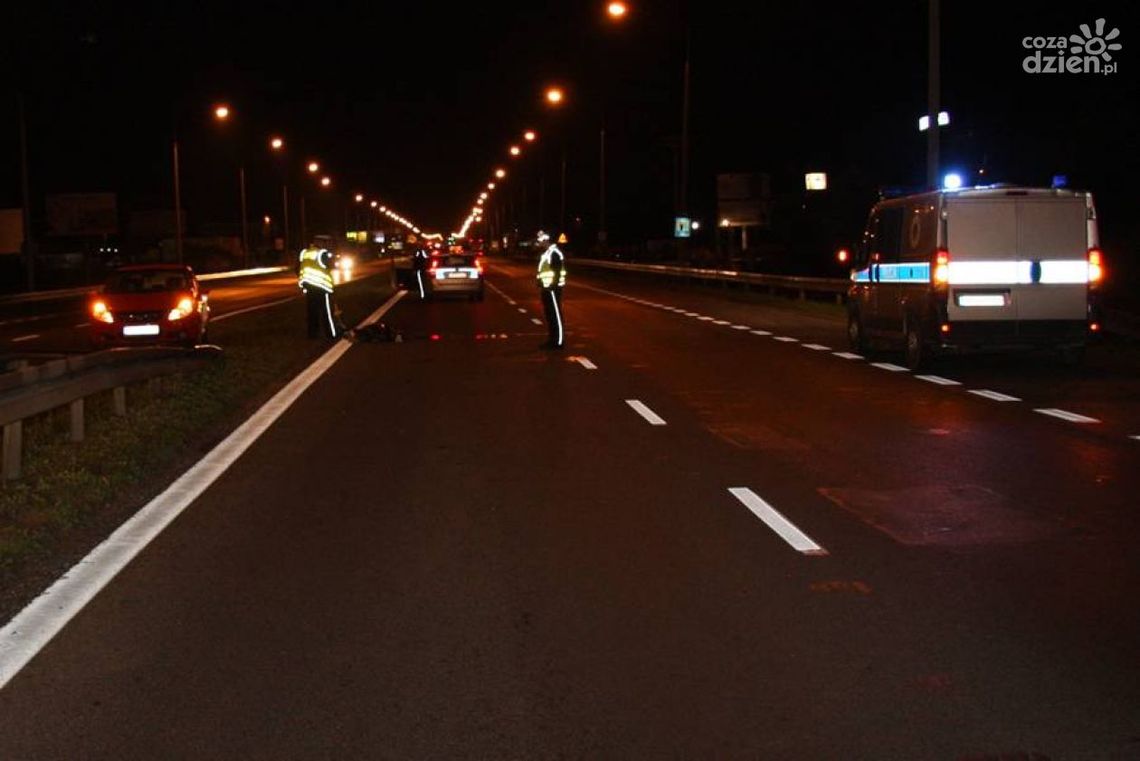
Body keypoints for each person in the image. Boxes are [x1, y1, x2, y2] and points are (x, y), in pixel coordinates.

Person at [297, 244, 341, 339]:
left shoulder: (304, 253)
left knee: (312, 312)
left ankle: (312, 334)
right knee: (327, 313)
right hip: (322, 288)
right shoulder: (322, 253)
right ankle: (331, 334)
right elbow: (331, 265)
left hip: (309, 287)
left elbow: (297, 269)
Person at [535, 232, 567, 349]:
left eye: (541, 241)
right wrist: (540, 283)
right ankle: (552, 340)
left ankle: (558, 342)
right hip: (547, 288)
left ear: (546, 241)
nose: (540, 244)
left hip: (553, 289)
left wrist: (552, 286)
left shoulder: (554, 253)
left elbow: (557, 271)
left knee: (555, 315)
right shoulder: (547, 254)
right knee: (550, 315)